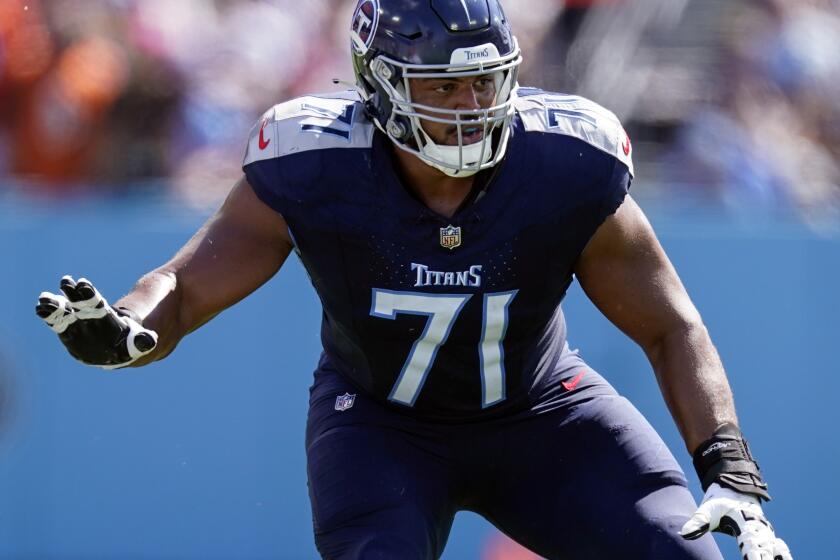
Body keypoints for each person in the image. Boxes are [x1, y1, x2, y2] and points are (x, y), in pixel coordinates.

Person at [35, 1, 792, 558]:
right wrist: (130, 330)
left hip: (544, 416)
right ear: (380, 84)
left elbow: (669, 324)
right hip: (379, 425)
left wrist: (727, 464)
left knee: (682, 554)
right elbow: (185, 285)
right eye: (444, 87)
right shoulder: (313, 163)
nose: (472, 108)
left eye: (485, 83)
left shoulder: (566, 164)